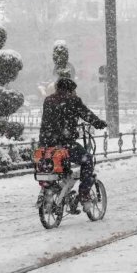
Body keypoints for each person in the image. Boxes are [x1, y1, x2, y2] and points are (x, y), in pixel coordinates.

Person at [39, 78, 107, 213]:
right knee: (87, 159)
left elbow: (50, 121)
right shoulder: (73, 101)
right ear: (71, 90)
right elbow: (87, 114)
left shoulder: (48, 100)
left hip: (46, 145)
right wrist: (99, 123)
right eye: (74, 90)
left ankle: (58, 193)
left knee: (61, 167)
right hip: (64, 144)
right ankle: (84, 193)